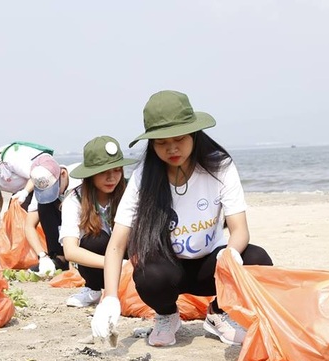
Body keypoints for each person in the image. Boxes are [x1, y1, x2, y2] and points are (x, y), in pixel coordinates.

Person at [91, 90, 273, 347]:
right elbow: (117, 244)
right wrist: (110, 297)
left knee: (257, 259)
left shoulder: (220, 167)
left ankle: (218, 314)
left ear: (195, 135)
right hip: (168, 269)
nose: (172, 148)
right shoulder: (145, 177)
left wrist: (230, 254)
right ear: (152, 144)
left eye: (179, 139)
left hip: (212, 266)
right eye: (162, 143)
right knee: (146, 273)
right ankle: (167, 315)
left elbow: (240, 230)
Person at [60, 136, 136, 307]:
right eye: (103, 172)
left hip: (132, 265)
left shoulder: (130, 193)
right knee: (95, 239)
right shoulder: (75, 199)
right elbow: (70, 251)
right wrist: (115, 263)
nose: (111, 178)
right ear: (90, 174)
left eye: (117, 170)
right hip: (100, 269)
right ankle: (93, 289)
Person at [25, 154, 82, 276]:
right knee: (44, 205)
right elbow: (29, 226)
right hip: (63, 227)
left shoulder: (80, 177)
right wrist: (42, 256)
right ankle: (59, 257)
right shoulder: (42, 186)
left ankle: (78, 258)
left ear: (63, 174)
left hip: (85, 222)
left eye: (53, 189)